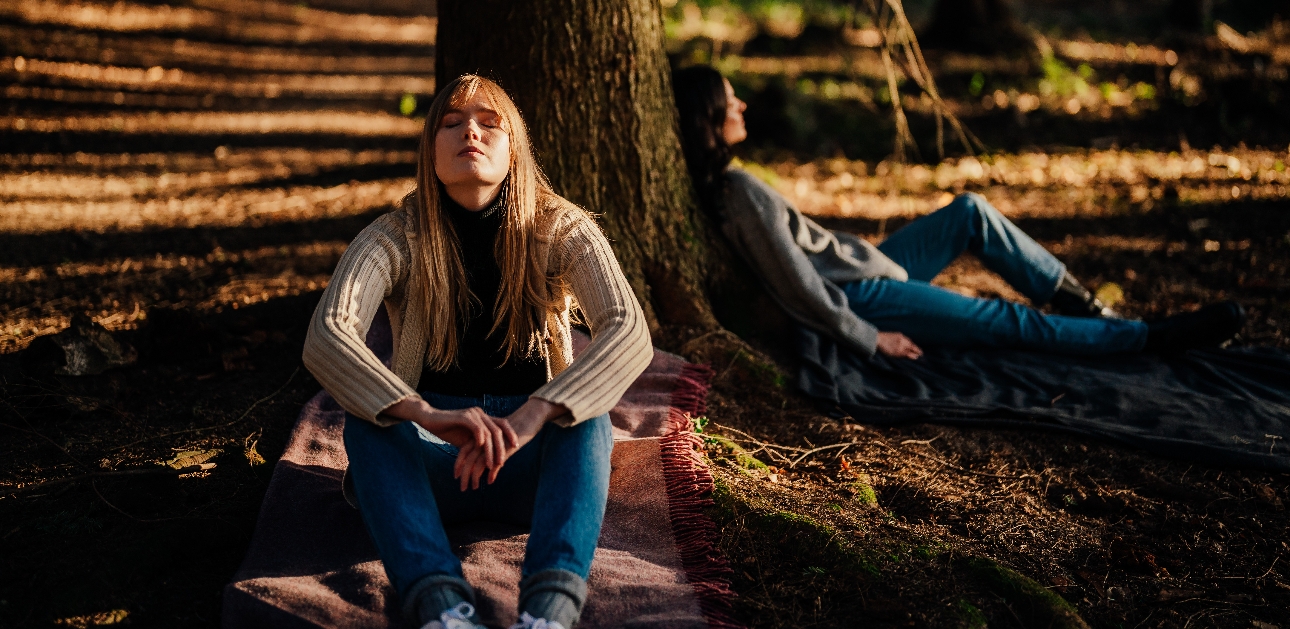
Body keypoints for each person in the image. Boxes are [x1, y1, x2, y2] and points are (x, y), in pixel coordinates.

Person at [303, 75, 652, 629]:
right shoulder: (395, 235)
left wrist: (537, 411)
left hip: (533, 466)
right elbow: (328, 335)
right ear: (431, 151)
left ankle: (548, 616)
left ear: (515, 148)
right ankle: (443, 612)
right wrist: (426, 415)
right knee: (369, 423)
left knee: (587, 417)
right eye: (452, 122)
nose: (471, 130)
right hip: (435, 462)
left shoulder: (561, 226)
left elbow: (628, 329)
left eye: (490, 122)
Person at [671, 65, 1245, 360]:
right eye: (729, 99)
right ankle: (1141, 338)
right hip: (860, 296)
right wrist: (869, 339)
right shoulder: (739, 190)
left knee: (969, 211)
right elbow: (795, 284)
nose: (742, 104)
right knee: (1003, 321)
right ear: (708, 117)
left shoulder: (734, 187)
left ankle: (1084, 305)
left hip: (866, 266)